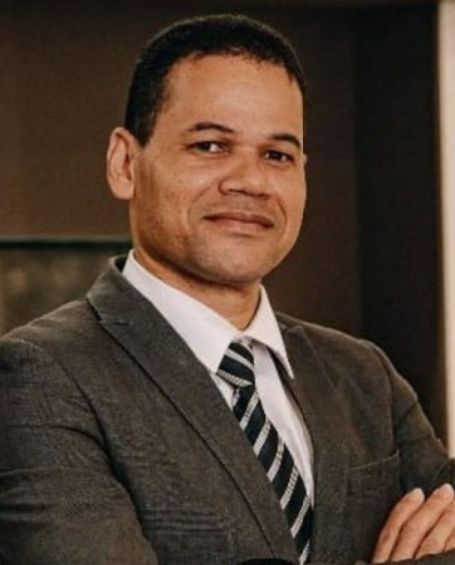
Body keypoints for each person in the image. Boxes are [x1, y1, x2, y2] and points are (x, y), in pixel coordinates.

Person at [0, 13, 454, 565]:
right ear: (125, 163)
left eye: (277, 155)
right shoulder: (40, 375)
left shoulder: (364, 375)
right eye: (211, 145)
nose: (251, 181)